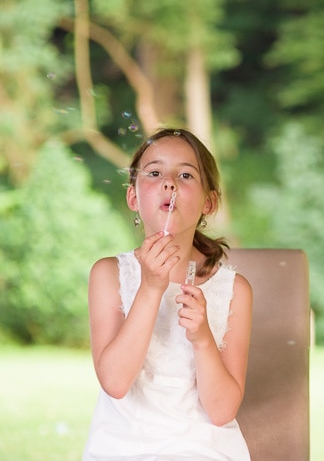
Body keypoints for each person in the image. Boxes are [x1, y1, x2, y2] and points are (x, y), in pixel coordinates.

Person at [83, 128, 253, 460]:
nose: (170, 183)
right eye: (155, 172)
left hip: (204, 450)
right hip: (121, 449)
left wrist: (203, 338)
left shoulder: (235, 291)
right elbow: (115, 383)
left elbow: (221, 412)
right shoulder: (109, 275)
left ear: (209, 201)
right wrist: (150, 288)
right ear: (133, 197)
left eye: (186, 174)